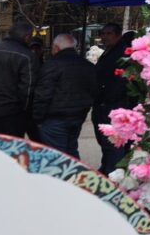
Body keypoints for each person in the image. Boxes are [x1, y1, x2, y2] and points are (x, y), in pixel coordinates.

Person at [32, 34, 96, 158]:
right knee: (71, 150)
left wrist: (37, 118)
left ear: (56, 47)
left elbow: (43, 94)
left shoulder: (52, 64)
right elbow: (93, 90)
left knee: (56, 155)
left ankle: (61, 176)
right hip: (78, 115)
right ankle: (75, 175)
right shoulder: (87, 65)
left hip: (55, 117)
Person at [0, 20, 37, 137]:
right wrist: (24, 115)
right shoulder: (26, 56)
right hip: (9, 115)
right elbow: (28, 91)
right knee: (7, 152)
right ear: (27, 36)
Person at [93, 23, 136, 174]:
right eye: (102, 33)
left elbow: (122, 81)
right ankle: (107, 168)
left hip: (114, 106)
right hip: (103, 104)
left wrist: (107, 97)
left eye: (108, 33)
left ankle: (115, 174)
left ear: (117, 35)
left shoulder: (123, 53)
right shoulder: (109, 51)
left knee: (114, 144)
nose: (104, 37)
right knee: (106, 144)